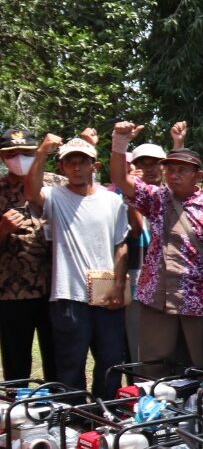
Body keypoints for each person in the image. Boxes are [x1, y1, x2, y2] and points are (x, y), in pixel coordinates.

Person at [107, 122, 203, 367]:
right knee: (153, 370)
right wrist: (120, 142)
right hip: (155, 299)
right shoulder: (156, 199)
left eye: (182, 170)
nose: (174, 175)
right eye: (170, 170)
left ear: (198, 176)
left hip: (196, 301)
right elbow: (119, 177)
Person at [25, 135, 129, 398]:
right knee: (71, 364)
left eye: (82, 162)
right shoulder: (54, 196)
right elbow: (31, 193)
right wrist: (41, 153)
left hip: (107, 295)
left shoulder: (112, 201)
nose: (76, 168)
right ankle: (73, 419)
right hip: (68, 295)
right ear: (61, 168)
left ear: (94, 166)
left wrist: (118, 285)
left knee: (111, 361)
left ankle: (107, 416)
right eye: (70, 162)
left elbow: (121, 245)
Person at [0, 128, 61, 379]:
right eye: (11, 153)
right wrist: (2, 230)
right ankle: (19, 412)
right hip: (11, 292)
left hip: (56, 290)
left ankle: (58, 410)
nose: (18, 157)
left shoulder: (58, 184)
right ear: (2, 158)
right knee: (16, 364)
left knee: (58, 358)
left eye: (25, 152)